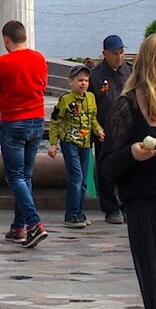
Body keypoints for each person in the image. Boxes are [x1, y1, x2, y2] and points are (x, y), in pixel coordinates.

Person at [103, 33, 156, 309]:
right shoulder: (126, 106)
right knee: (154, 289)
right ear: (153, 65)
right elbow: (107, 166)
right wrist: (132, 154)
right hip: (143, 207)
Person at [0, 19, 50, 248]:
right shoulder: (39, 58)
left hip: (13, 123)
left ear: (6, 40)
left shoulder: (1, 63)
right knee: (25, 175)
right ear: (25, 37)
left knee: (15, 177)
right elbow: (42, 85)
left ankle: (34, 224)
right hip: (38, 122)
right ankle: (18, 228)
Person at [48, 63, 104, 228]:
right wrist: (53, 144)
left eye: (86, 80)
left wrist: (99, 130)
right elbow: (55, 121)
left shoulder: (91, 98)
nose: (83, 83)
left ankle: (79, 213)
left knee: (83, 181)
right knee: (76, 178)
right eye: (80, 80)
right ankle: (71, 215)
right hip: (69, 142)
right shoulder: (65, 100)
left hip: (86, 144)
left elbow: (93, 118)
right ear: (71, 82)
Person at [91, 33, 132, 224]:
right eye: (115, 53)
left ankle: (127, 204)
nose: (119, 57)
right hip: (104, 131)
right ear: (105, 54)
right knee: (105, 168)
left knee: (128, 168)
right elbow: (90, 105)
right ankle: (110, 208)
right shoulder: (96, 76)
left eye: (122, 52)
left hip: (128, 129)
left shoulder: (130, 73)